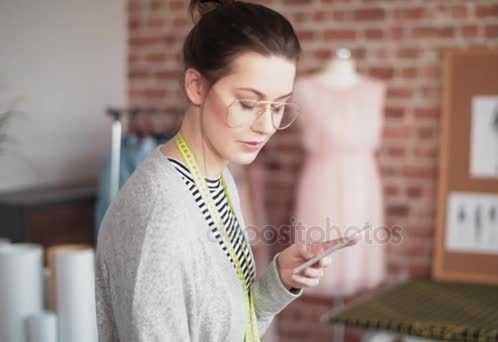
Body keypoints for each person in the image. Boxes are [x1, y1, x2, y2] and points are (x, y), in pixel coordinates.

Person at [94, 0, 359, 341]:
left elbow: (231, 329)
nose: (267, 126)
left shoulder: (216, 179)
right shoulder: (160, 217)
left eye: (278, 106)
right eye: (248, 103)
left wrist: (278, 280)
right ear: (197, 86)